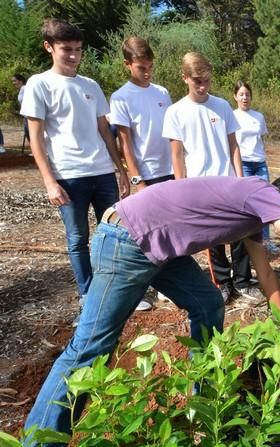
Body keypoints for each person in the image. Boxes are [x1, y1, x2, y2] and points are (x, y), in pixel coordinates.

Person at [21, 173, 280, 446]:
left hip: (160, 247)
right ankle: (37, 439)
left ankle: (203, 400)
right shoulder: (265, 194)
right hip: (127, 240)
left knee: (208, 304)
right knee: (89, 347)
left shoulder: (255, 214)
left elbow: (266, 273)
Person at [20, 19, 129, 317]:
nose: (73, 56)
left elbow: (105, 132)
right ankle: (89, 295)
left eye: (78, 49)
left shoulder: (90, 86)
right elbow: (36, 139)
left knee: (116, 232)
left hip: (103, 172)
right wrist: (49, 182)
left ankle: (119, 290)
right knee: (78, 239)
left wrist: (119, 169)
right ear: (49, 47)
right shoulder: (39, 85)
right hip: (68, 177)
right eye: (66, 49)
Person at [162, 52, 255, 303]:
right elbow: (177, 154)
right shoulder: (175, 111)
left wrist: (240, 177)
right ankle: (222, 283)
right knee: (213, 238)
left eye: (206, 81)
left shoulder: (222, 106)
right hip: (198, 186)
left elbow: (233, 144)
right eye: (197, 81)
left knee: (240, 232)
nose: (203, 87)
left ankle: (244, 281)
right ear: (185, 78)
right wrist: (180, 188)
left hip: (228, 181)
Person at [109, 36, 174, 312]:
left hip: (169, 170)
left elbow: (173, 134)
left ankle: (169, 285)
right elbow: (125, 143)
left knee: (171, 230)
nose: (147, 72)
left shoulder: (161, 92)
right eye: (140, 68)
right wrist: (137, 180)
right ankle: (147, 286)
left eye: (150, 67)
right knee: (147, 233)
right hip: (145, 174)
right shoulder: (121, 97)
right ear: (127, 65)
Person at [233, 80, 280, 255]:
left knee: (265, 201)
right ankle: (247, 240)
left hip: (259, 163)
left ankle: (265, 239)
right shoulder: (232, 116)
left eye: (247, 94)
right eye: (241, 94)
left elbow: (261, 139)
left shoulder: (258, 116)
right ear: (235, 96)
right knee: (246, 203)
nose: (245, 97)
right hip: (243, 164)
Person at [12, 73, 29, 148]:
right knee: (28, 132)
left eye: (15, 81)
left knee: (30, 132)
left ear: (21, 81)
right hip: (26, 115)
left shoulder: (25, 88)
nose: (13, 83)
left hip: (29, 115)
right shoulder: (22, 89)